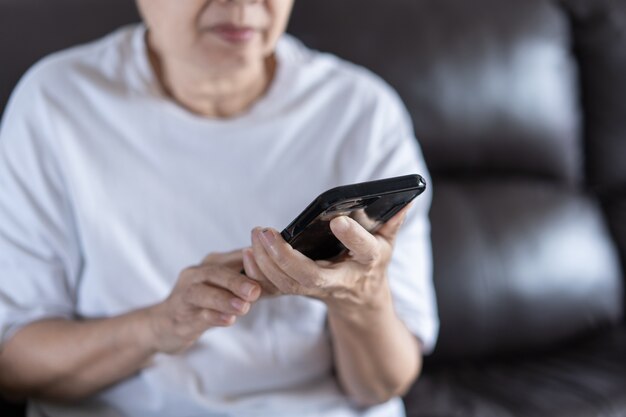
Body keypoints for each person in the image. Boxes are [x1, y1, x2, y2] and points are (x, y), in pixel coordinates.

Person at [0, 0, 438, 416]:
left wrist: (359, 298)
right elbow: (15, 364)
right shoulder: (57, 103)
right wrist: (157, 327)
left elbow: (383, 384)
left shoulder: (362, 111)